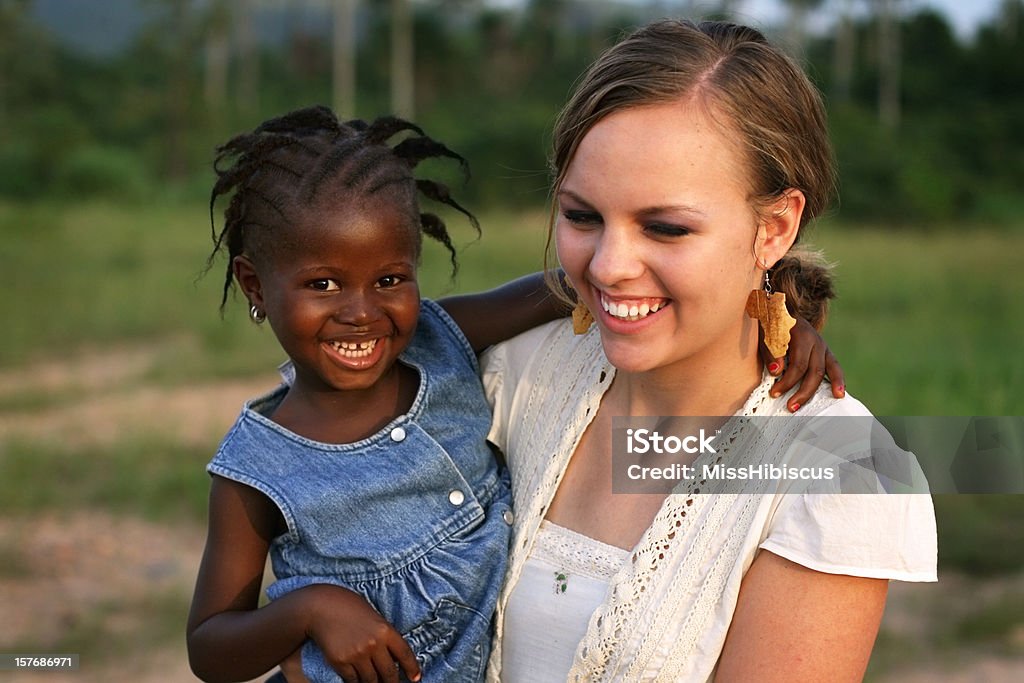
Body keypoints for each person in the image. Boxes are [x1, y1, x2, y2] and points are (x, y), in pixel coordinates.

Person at [185, 105, 843, 682]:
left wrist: (773, 310)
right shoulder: (258, 469)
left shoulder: (445, 343)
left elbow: (601, 284)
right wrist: (310, 609)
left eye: (389, 278)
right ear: (254, 286)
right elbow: (210, 646)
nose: (361, 311)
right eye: (322, 285)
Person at [481, 19, 938, 682]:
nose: (609, 266)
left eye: (664, 227)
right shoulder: (513, 372)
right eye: (582, 216)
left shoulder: (840, 470)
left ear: (774, 227)